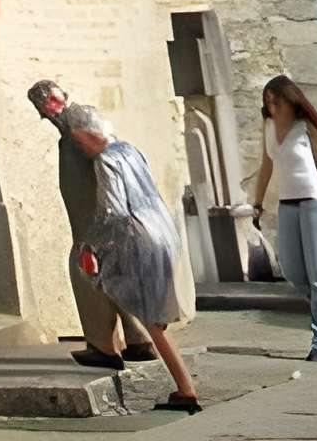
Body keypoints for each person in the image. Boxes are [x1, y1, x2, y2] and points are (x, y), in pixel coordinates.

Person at [60, 106, 201, 414]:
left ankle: (186, 390)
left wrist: (91, 245)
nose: (81, 150)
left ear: (86, 134)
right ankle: (184, 388)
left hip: (138, 237)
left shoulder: (106, 160)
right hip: (163, 229)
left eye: (80, 143)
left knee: (152, 321)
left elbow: (112, 210)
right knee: (153, 317)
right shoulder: (131, 151)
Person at [29, 77, 145, 369]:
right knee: (110, 278)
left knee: (88, 276)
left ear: (62, 97)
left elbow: (108, 163)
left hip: (97, 224)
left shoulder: (80, 121)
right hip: (96, 223)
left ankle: (103, 346)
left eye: (49, 102)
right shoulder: (72, 129)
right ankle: (139, 339)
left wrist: (110, 214)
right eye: (42, 106)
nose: (47, 111)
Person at [247, 74, 317, 360]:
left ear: (290, 99)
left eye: (276, 100)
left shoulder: (305, 127)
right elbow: (266, 166)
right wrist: (257, 205)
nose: (272, 106)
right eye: (267, 102)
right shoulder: (269, 127)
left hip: (315, 203)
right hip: (288, 205)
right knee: (294, 272)